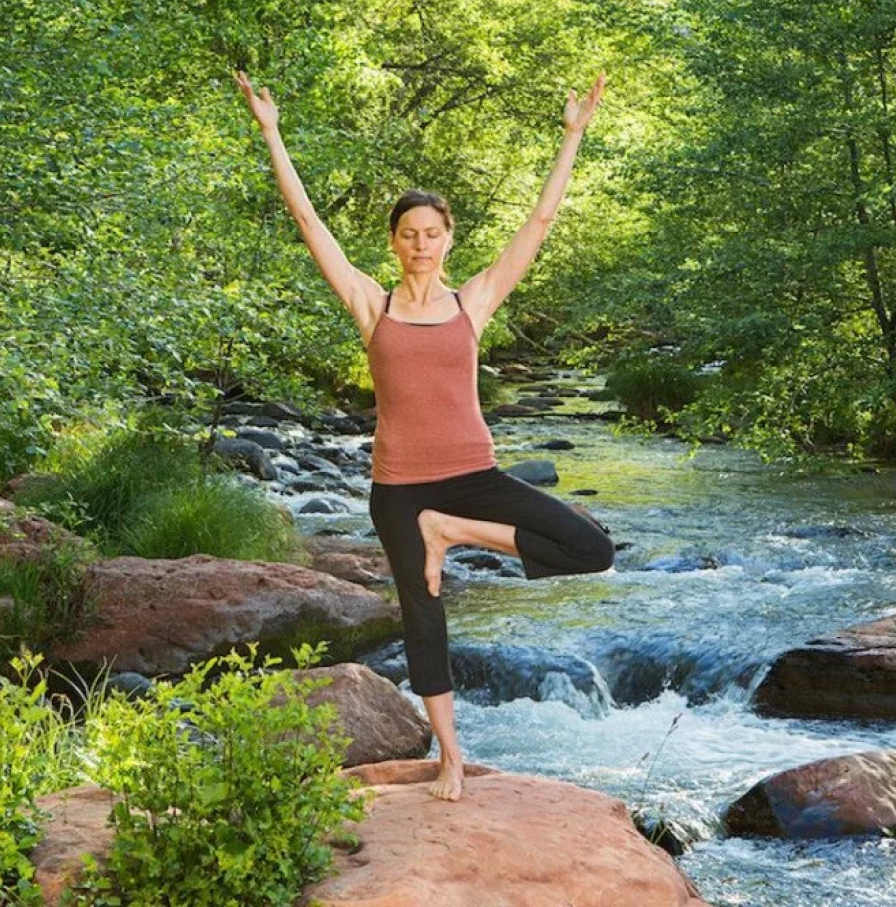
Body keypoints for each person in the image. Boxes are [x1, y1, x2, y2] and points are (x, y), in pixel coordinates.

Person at [233, 69, 616, 801]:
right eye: (409, 234)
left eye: (432, 233)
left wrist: (572, 136)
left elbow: (535, 226)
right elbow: (309, 223)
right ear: (394, 242)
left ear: (447, 239)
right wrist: (272, 133)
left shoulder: (473, 301)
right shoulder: (369, 305)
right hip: (399, 487)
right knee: (423, 618)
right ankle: (449, 757)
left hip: (471, 480)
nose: (420, 244)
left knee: (591, 548)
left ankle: (455, 532)